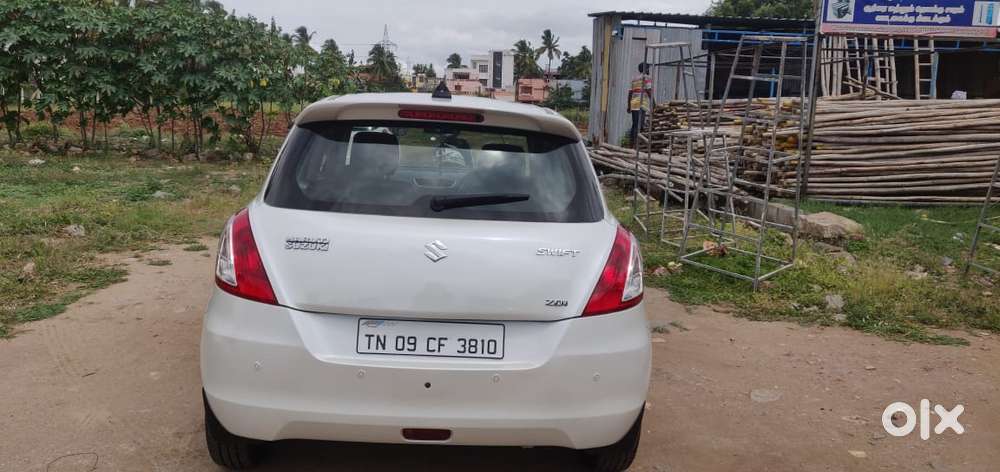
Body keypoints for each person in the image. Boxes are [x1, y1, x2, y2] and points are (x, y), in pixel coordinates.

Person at [628, 62, 654, 146]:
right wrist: (653, 102)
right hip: (641, 104)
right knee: (639, 125)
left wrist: (629, 106)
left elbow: (630, 93)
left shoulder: (634, 79)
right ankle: (635, 145)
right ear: (645, 69)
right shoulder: (646, 78)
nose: (648, 70)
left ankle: (632, 144)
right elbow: (649, 91)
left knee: (635, 124)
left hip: (634, 104)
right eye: (648, 68)